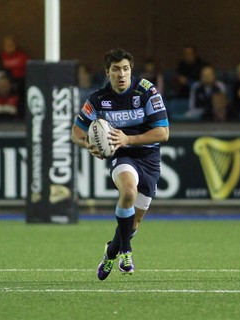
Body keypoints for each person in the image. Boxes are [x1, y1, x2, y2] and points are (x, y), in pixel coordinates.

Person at [71, 48, 169, 281]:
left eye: (125, 68)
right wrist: (88, 144)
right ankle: (126, 250)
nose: (121, 74)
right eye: (116, 69)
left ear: (131, 70)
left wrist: (128, 138)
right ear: (107, 72)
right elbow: (76, 132)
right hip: (121, 155)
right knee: (128, 191)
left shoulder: (146, 91)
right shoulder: (98, 99)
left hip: (149, 159)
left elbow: (163, 133)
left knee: (134, 221)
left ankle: (111, 252)